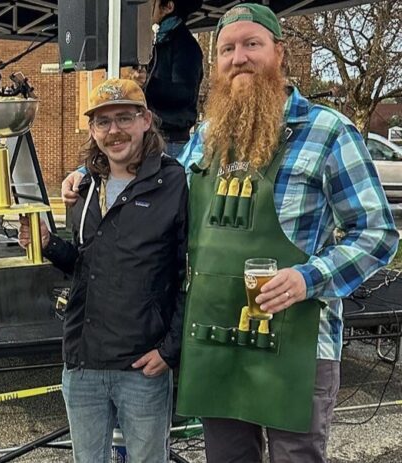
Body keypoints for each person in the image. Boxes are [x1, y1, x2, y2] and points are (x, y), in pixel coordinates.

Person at [64, 5, 399, 462]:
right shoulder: (206, 138)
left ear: (278, 53)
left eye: (251, 44)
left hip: (297, 345)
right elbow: (146, 175)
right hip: (216, 342)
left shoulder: (327, 132)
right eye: (227, 49)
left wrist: (309, 277)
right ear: (216, 62)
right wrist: (89, 171)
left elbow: (376, 233)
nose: (238, 57)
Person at [20, 78, 186, 463]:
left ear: (145, 120)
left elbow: (185, 273)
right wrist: (48, 244)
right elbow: (85, 264)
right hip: (83, 365)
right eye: (103, 122)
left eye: (124, 118)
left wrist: (170, 350)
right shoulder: (84, 186)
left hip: (142, 366)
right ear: (93, 130)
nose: (114, 131)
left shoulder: (175, 182)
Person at [140, 0, 204, 157]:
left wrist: (146, 84)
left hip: (171, 141)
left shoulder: (186, 45)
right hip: (153, 137)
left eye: (151, 2)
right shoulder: (160, 41)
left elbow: (184, 93)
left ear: (168, 7)